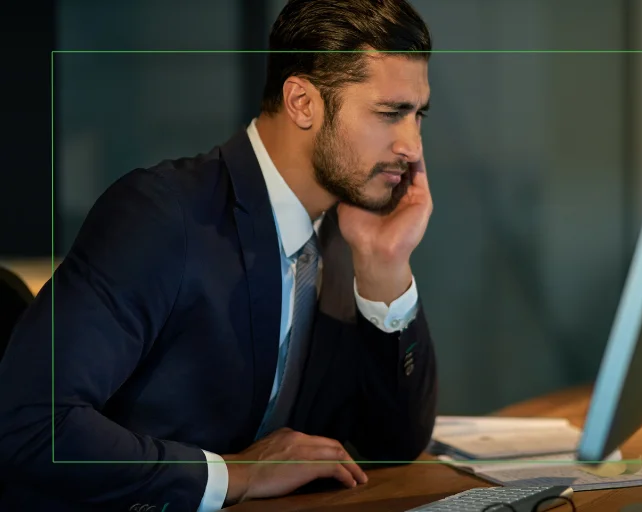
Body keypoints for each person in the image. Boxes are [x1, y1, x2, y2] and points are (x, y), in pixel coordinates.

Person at [0, 0, 437, 510]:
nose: (411, 145)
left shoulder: (344, 235)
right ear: (302, 102)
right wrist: (233, 475)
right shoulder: (163, 215)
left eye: (418, 115)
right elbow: (30, 422)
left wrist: (386, 265)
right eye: (391, 113)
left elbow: (395, 446)